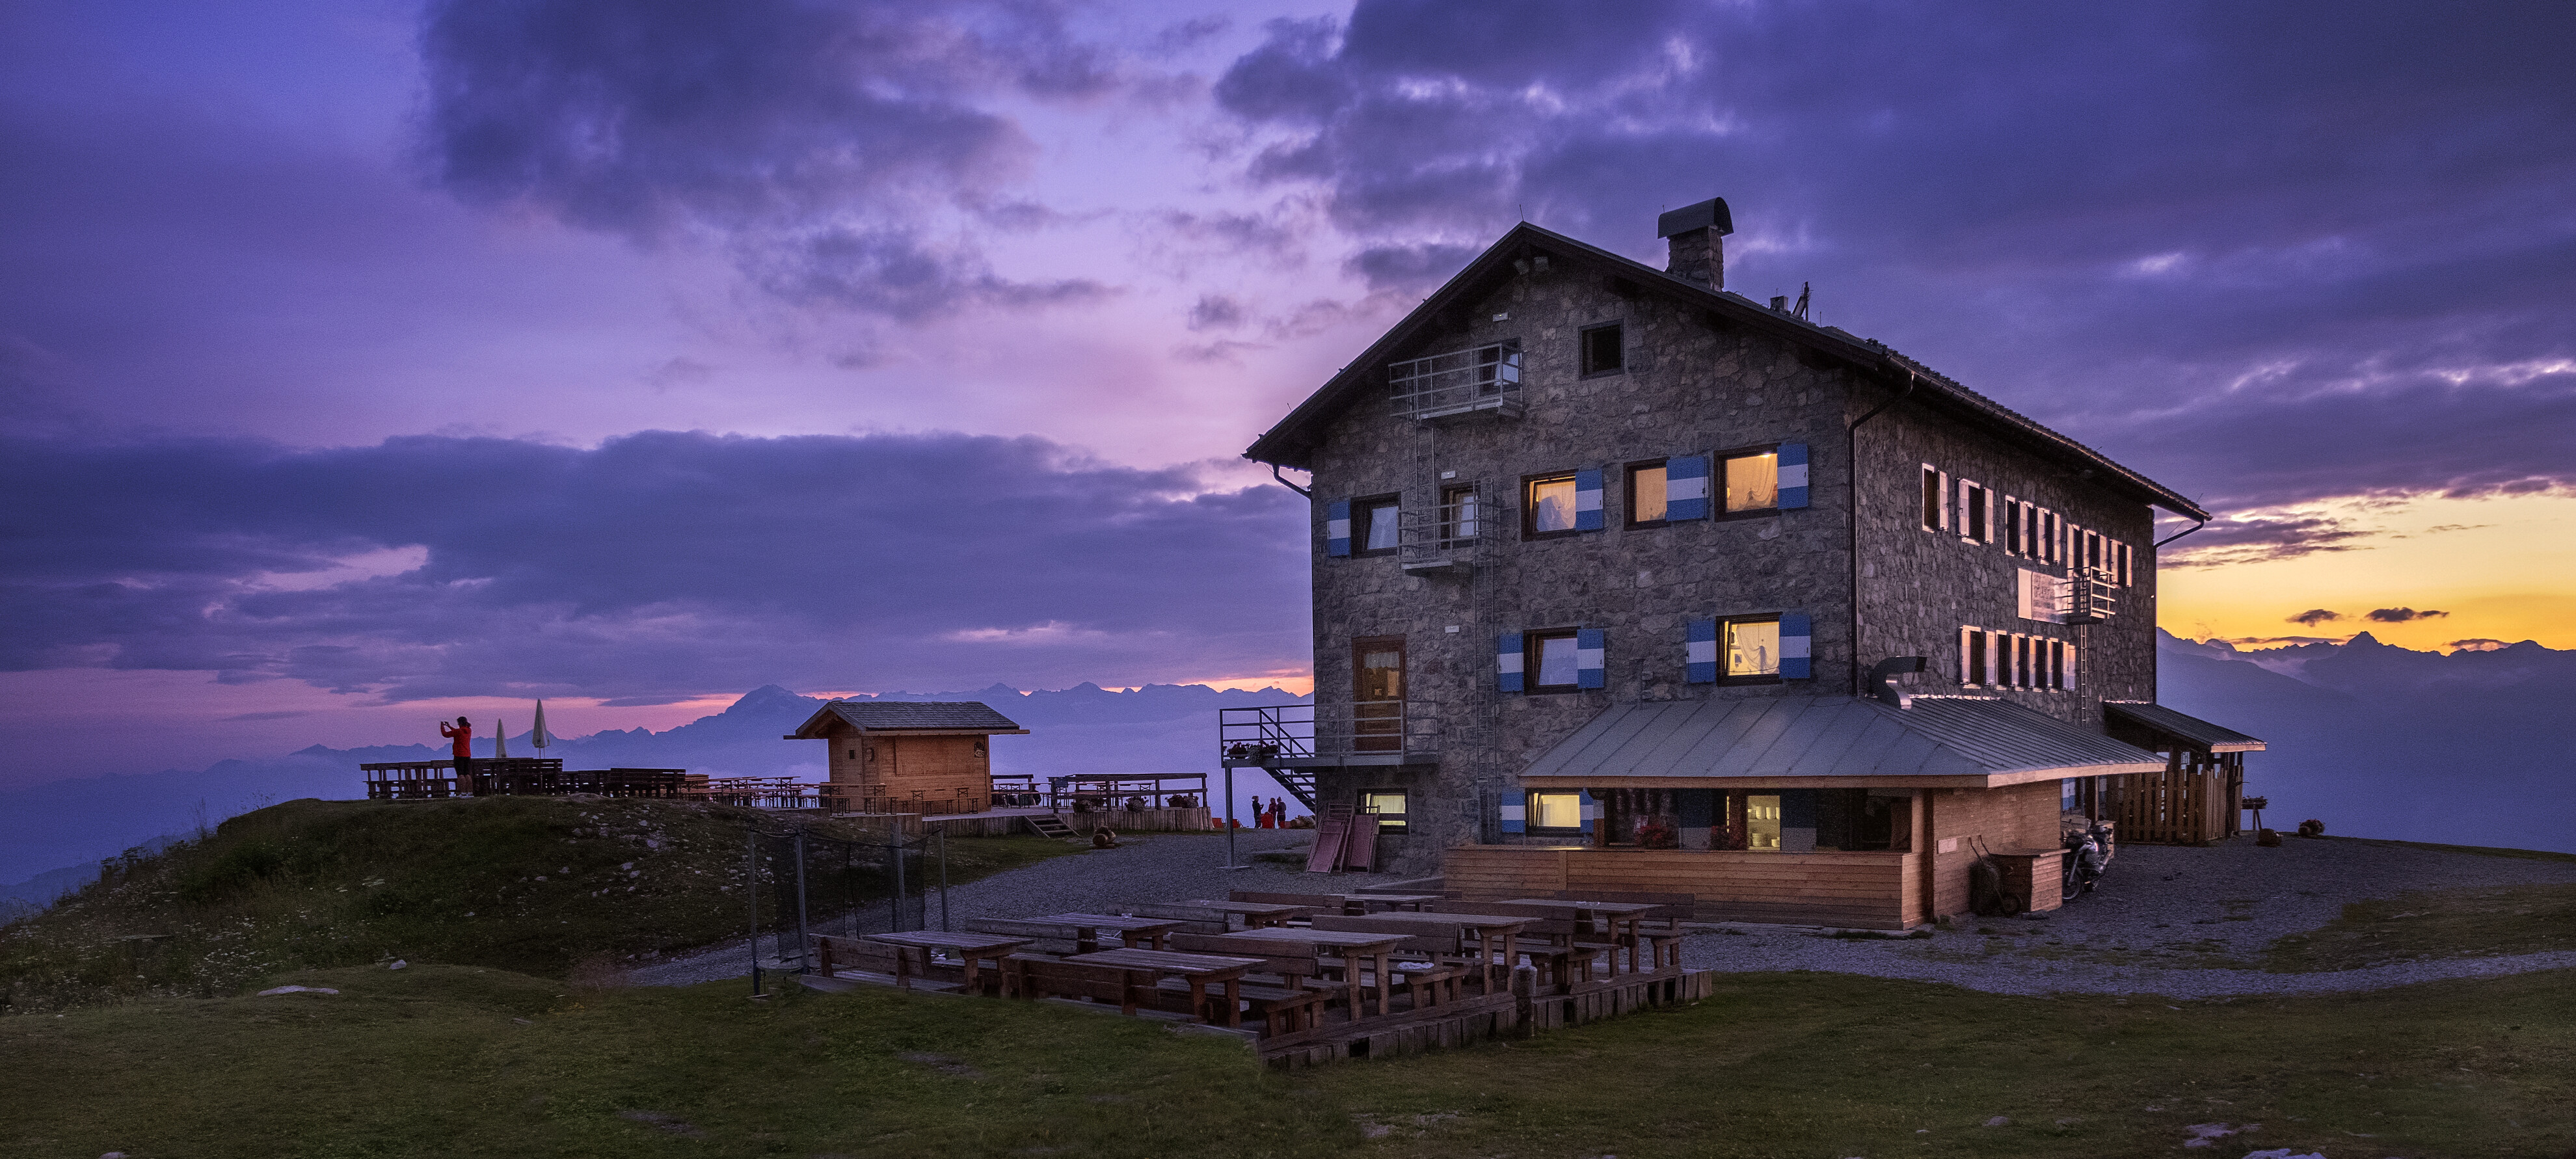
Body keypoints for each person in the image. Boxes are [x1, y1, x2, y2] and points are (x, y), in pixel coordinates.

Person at [438, 715, 474, 795]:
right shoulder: (469, 730)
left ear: (460, 723)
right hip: (467, 755)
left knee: (460, 775)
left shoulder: (458, 732)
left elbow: (445, 734)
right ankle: (470, 792)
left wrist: (442, 726)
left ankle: (463, 793)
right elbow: (457, 731)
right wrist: (449, 726)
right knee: (467, 774)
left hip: (459, 755)